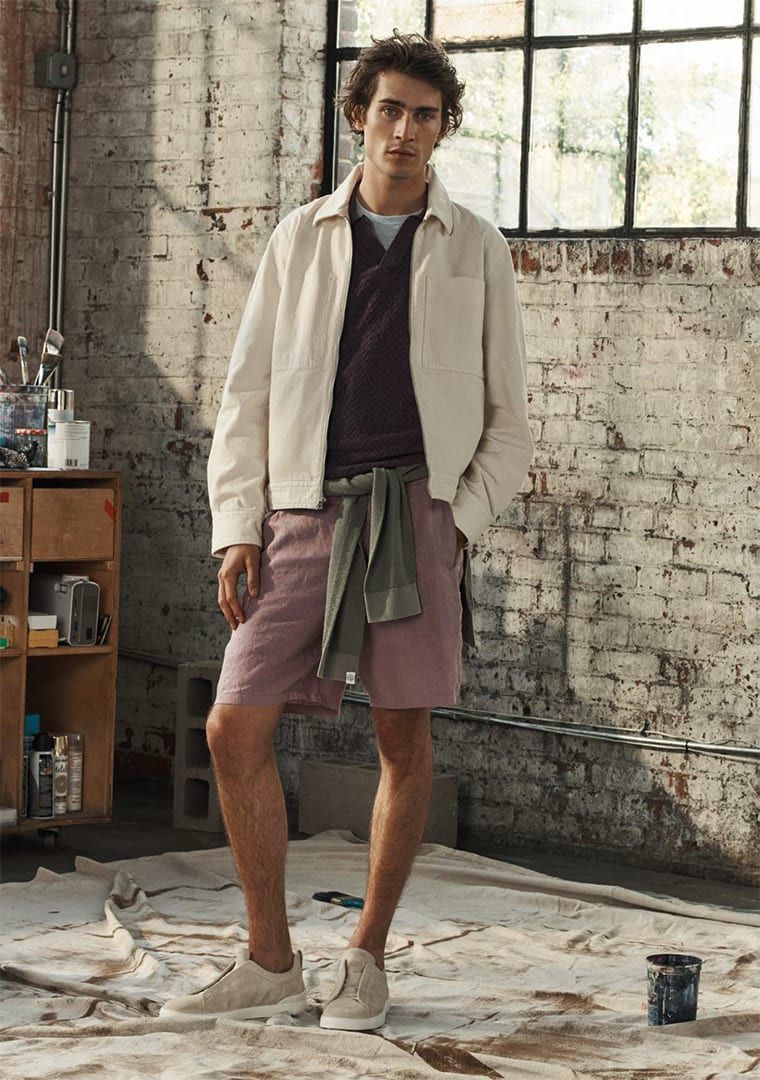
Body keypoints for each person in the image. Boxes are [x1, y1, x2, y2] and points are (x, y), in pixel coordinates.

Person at [160, 29, 533, 1031]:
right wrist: (237, 528)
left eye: (424, 115)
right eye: (388, 110)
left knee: (401, 737)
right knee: (233, 723)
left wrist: (457, 522)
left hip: (416, 512)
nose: (403, 129)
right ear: (357, 117)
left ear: (443, 129)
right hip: (301, 511)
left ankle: (365, 958)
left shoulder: (476, 247)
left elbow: (510, 422)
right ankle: (270, 960)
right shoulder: (299, 237)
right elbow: (245, 396)